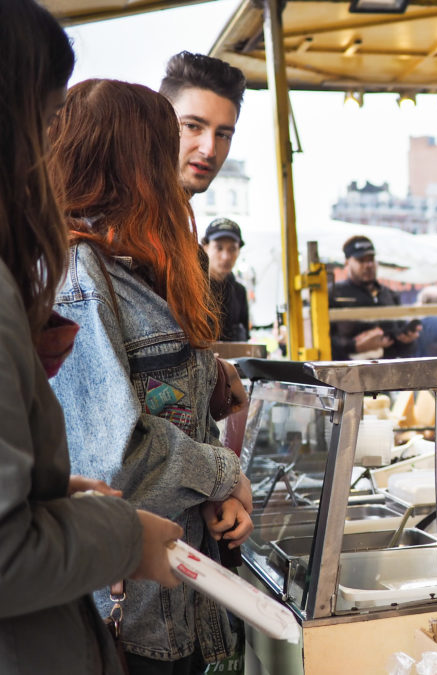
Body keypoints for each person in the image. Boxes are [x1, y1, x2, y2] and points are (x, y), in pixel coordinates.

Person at [48, 79, 254, 673]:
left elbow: (170, 410)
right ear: (134, 162)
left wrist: (218, 491)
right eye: (170, 143)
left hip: (186, 600)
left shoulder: (132, 265)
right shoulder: (79, 275)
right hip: (137, 621)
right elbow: (117, 458)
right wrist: (224, 473)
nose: (182, 162)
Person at [0, 3, 182, 673]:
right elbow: (120, 446)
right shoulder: (79, 272)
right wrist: (122, 530)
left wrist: (53, 490)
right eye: (48, 116)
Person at [159, 51, 246, 196]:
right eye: (192, 126)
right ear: (158, 121)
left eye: (223, 135)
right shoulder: (118, 213)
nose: (209, 150)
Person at [329, 235, 421, 360]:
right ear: (347, 262)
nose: (368, 265)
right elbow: (322, 342)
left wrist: (407, 340)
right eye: (361, 260)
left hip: (387, 372)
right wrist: (354, 347)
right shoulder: (334, 294)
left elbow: (404, 349)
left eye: (371, 259)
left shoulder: (389, 295)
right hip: (349, 374)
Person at [201, 217, 250, 341]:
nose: (226, 257)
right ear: (205, 247)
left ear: (239, 250)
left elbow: (245, 341)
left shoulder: (239, 292)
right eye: (219, 248)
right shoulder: (192, 288)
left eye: (232, 249)